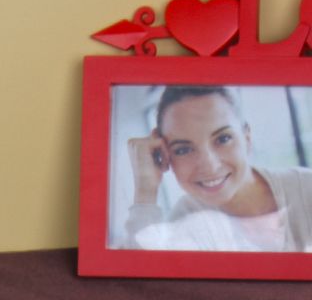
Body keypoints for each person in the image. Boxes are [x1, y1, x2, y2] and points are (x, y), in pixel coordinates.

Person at [123, 85, 312, 251]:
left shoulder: (306, 187)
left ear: (247, 138)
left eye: (223, 139)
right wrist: (145, 189)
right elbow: (138, 285)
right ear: (164, 156)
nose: (210, 165)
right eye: (183, 149)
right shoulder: (184, 218)